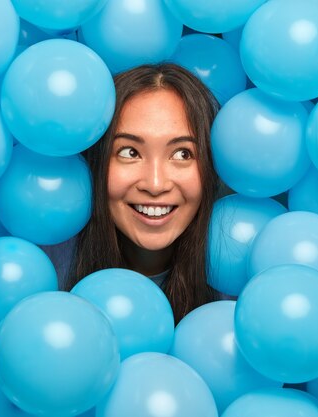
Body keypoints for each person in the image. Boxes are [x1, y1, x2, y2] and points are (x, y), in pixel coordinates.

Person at [45, 63, 220, 323]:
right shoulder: (46, 274)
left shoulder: (235, 295)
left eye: (182, 154)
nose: (155, 184)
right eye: (130, 152)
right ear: (97, 163)